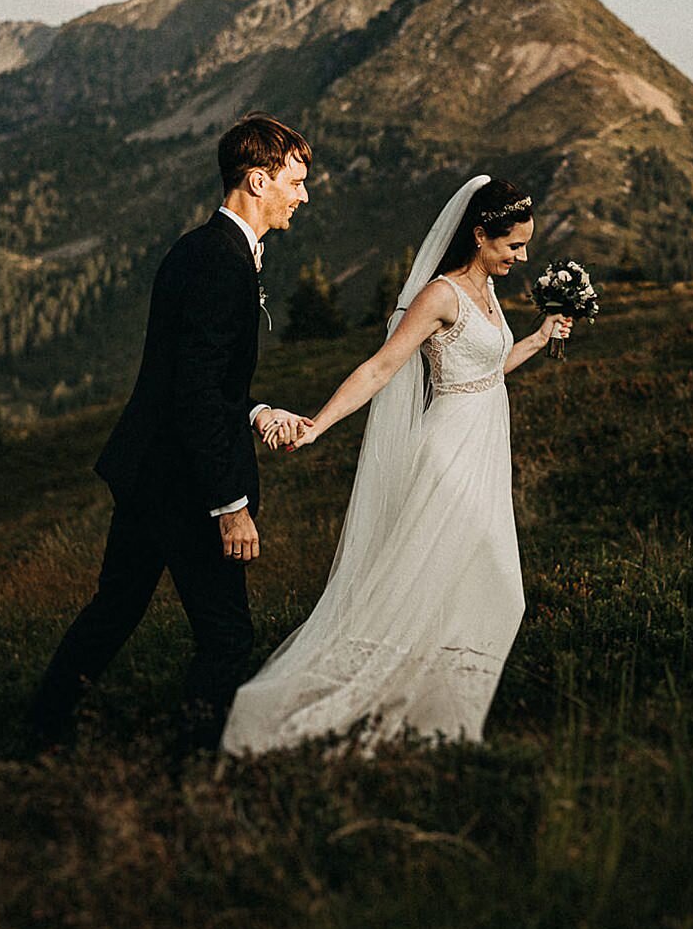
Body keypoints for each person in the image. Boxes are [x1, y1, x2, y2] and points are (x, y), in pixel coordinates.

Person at [220, 175, 571, 755]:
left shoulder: (486, 291)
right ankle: (356, 717)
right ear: (480, 235)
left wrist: (536, 340)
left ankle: (442, 727)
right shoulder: (440, 295)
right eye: (513, 246)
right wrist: (317, 426)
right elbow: (381, 368)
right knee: (481, 588)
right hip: (450, 455)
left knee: (469, 591)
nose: (523, 257)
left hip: (484, 452)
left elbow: (482, 373)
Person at [29, 113, 313, 760]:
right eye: (295, 182)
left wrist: (255, 410)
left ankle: (43, 730)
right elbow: (192, 392)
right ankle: (190, 769)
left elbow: (195, 378)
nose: (303, 196)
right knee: (226, 636)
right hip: (188, 487)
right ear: (257, 179)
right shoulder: (223, 263)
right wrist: (231, 505)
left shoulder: (199, 248)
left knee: (115, 609)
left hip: (147, 474)